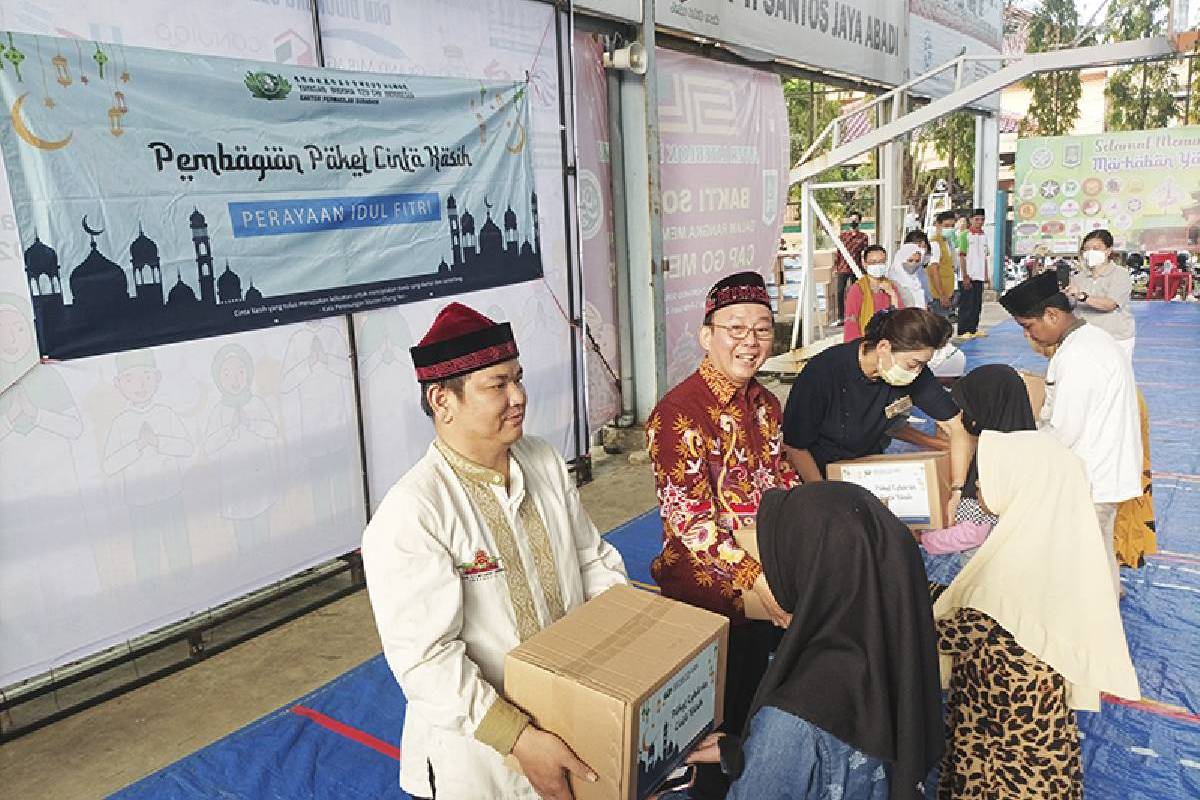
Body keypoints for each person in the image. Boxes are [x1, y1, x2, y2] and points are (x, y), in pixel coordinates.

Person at [361, 302, 628, 800]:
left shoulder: (544, 460)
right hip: (480, 763)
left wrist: (627, 664)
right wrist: (521, 739)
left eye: (518, 379)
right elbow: (427, 661)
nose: (519, 397)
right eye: (498, 385)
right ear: (442, 401)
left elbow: (593, 562)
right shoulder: (413, 513)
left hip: (571, 718)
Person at [673, 483, 944, 800]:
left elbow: (808, 743)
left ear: (812, 573)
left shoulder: (795, 718)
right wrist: (747, 754)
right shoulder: (901, 654)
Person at [646, 271, 799, 800]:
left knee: (761, 700)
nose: (749, 341)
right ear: (706, 334)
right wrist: (759, 582)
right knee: (713, 721)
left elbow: (782, 481)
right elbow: (691, 524)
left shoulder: (766, 405)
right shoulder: (677, 414)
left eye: (761, 329)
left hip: (769, 581)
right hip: (709, 594)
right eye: (735, 327)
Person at [933, 430, 1140, 799]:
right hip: (1042, 735)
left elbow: (951, 632)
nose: (978, 485)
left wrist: (896, 582)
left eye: (987, 476)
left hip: (998, 744)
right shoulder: (1059, 546)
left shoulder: (1010, 566)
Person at [1000, 271, 1141, 596]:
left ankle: (1091, 624)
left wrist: (1020, 452)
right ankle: (1107, 596)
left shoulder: (1079, 356)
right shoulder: (1090, 339)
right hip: (1103, 470)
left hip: (1092, 474)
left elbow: (1064, 429)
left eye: (1028, 326)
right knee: (1097, 547)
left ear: (1052, 315)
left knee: (1079, 560)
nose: (1029, 335)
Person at [782, 307, 971, 488]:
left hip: (867, 469)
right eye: (913, 364)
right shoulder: (824, 372)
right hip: (817, 473)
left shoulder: (915, 374)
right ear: (883, 347)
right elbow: (795, 445)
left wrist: (957, 488)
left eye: (923, 365)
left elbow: (956, 426)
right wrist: (822, 492)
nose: (917, 372)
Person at [920, 364, 1037, 590]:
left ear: (985, 405)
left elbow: (972, 533)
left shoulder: (991, 461)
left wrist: (923, 539)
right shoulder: (1030, 446)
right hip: (1025, 567)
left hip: (988, 578)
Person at [1066, 229, 1135, 361]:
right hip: (1084, 338)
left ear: (1108, 251)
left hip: (1115, 338)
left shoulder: (1120, 274)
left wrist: (1082, 296)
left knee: (1115, 379)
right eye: (1086, 249)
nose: (1090, 252)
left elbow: (1110, 304)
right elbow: (1070, 306)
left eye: (1096, 248)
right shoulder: (1078, 278)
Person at [843, 245, 903, 342]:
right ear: (865, 264)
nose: (878, 265)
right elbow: (851, 322)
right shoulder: (858, 289)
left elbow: (900, 317)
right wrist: (856, 346)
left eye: (881, 262)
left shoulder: (891, 286)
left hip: (889, 342)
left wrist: (892, 294)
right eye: (873, 262)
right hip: (865, 342)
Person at [956, 208, 990, 339]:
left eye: (982, 219)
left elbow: (985, 257)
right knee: (966, 304)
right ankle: (963, 330)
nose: (979, 222)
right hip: (968, 275)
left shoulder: (984, 236)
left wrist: (986, 275)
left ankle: (973, 328)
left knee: (976, 304)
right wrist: (965, 275)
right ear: (970, 220)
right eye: (976, 219)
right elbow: (962, 256)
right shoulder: (965, 235)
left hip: (979, 275)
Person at [833, 211, 870, 326]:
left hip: (856, 267)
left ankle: (855, 315)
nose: (853, 222)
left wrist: (865, 267)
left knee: (855, 292)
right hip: (843, 267)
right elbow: (838, 252)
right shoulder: (843, 236)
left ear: (859, 221)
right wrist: (836, 266)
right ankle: (841, 317)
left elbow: (865, 252)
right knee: (840, 292)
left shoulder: (863, 237)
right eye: (851, 219)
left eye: (855, 219)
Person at [928, 211, 958, 319]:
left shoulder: (948, 243)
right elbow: (933, 271)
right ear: (937, 225)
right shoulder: (935, 244)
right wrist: (942, 295)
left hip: (948, 290)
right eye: (946, 226)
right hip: (938, 294)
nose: (950, 229)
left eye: (952, 226)